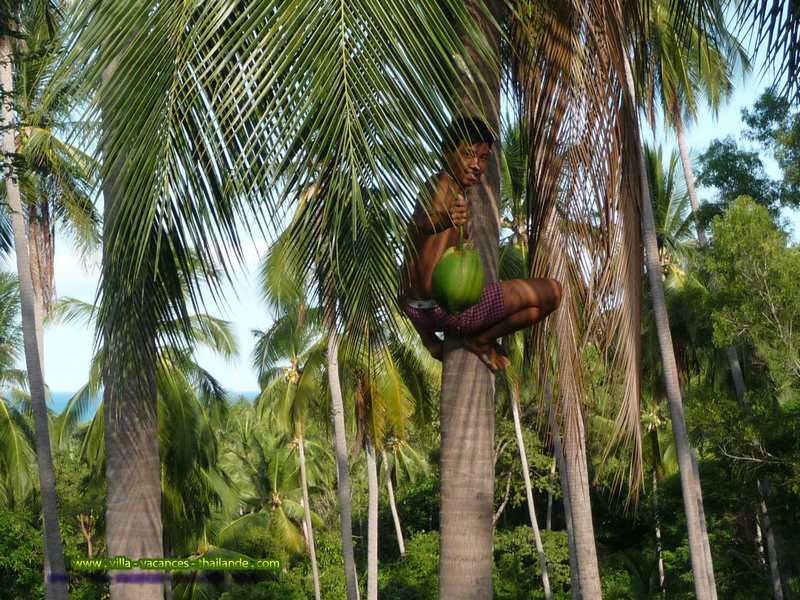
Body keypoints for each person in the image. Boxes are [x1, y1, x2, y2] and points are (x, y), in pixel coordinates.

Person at [398, 116, 563, 371]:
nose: (476, 165)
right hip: (448, 311)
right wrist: (445, 220)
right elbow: (424, 220)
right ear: (446, 152)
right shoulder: (443, 183)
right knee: (552, 292)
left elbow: (416, 238)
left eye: (483, 158)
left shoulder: (436, 183)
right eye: (468, 154)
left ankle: (430, 340)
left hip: (414, 309)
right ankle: (481, 340)